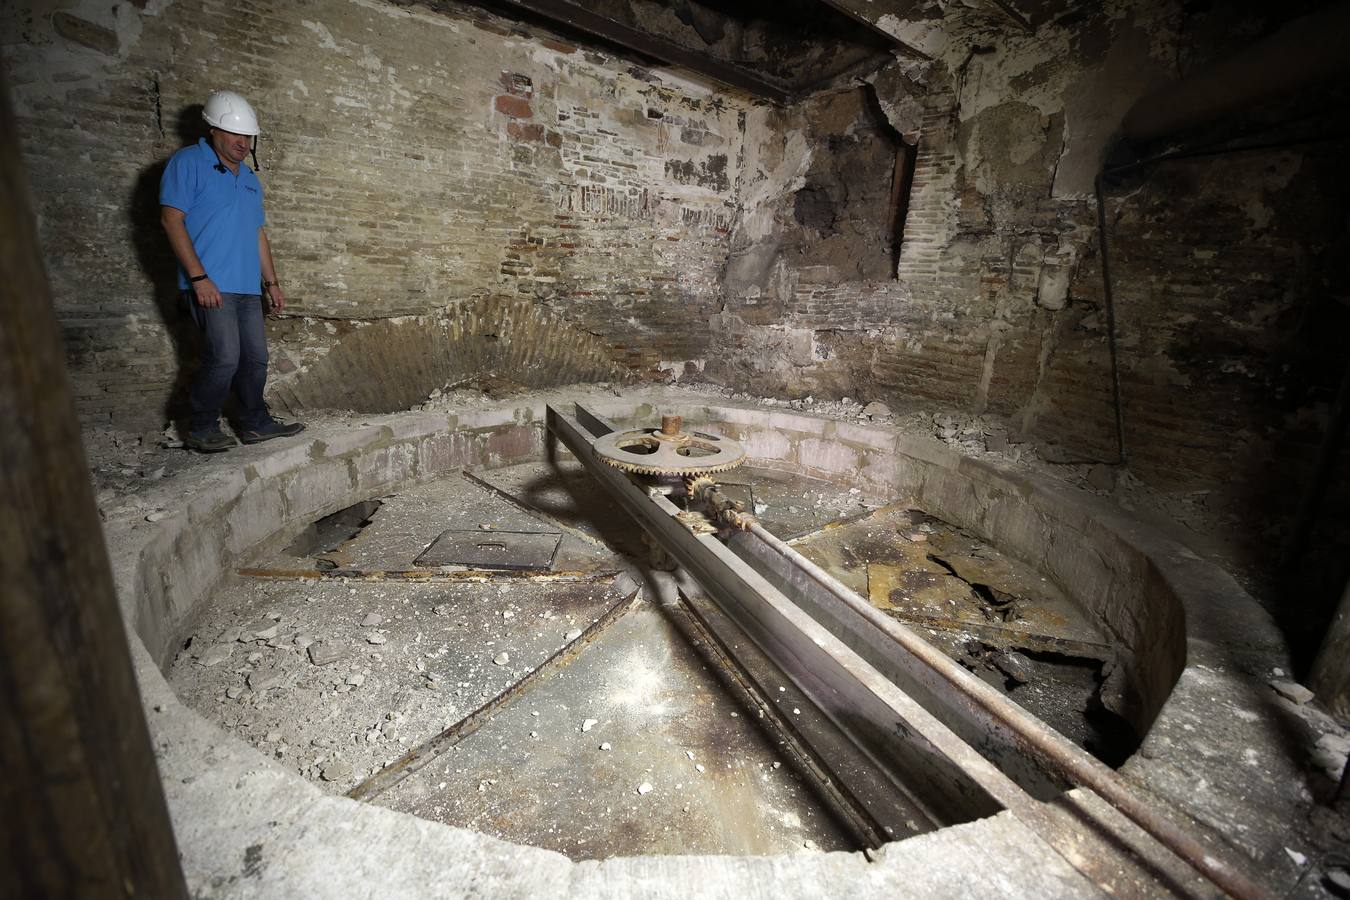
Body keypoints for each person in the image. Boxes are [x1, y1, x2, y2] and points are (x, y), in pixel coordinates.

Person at [160, 89, 304, 452]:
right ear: (213, 130)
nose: (242, 143)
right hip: (211, 284)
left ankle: (254, 423)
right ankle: (201, 426)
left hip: (246, 287)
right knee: (224, 358)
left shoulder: (250, 180)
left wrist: (272, 283)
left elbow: (257, 233)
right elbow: (171, 220)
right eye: (235, 135)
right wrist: (198, 277)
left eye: (247, 136)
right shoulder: (188, 161)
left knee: (255, 358)